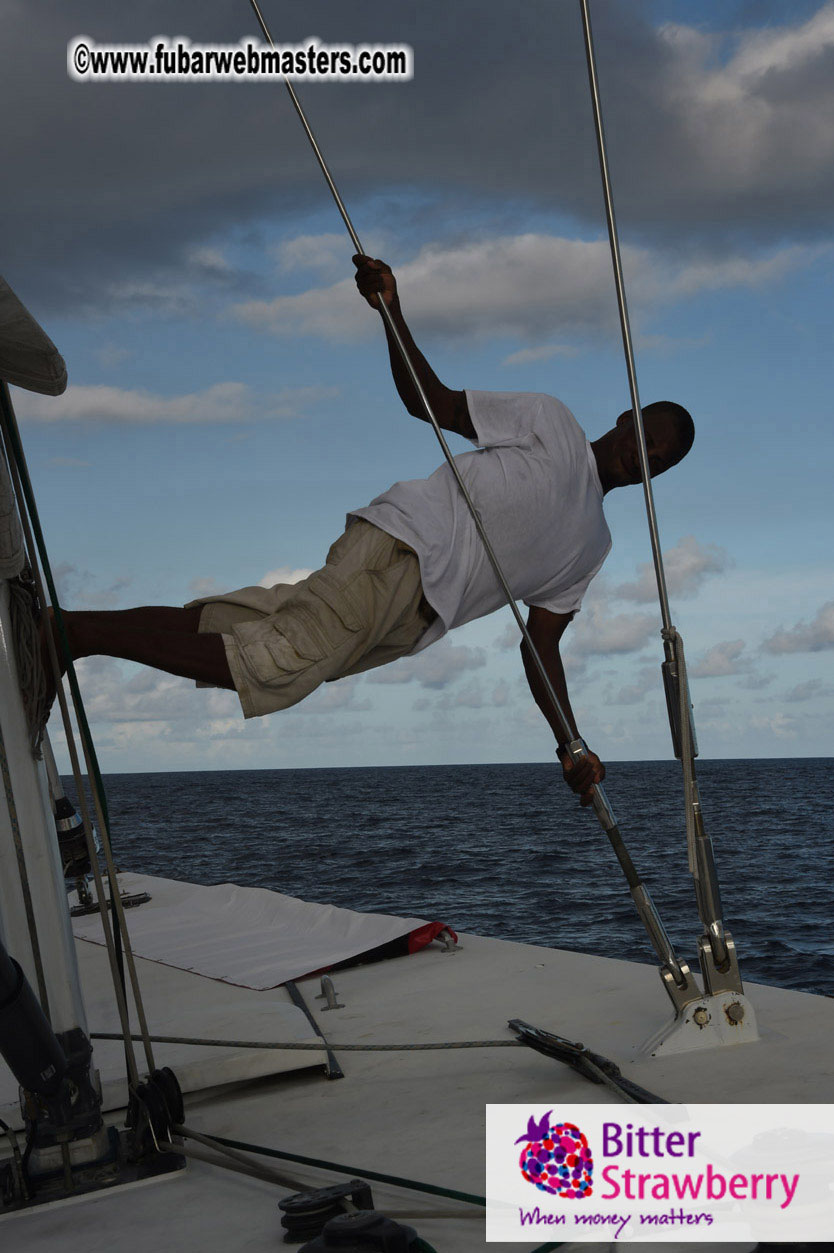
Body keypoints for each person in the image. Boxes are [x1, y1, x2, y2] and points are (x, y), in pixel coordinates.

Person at [46, 256, 694, 806]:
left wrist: (570, 744)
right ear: (627, 416)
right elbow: (430, 403)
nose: (651, 454)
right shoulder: (549, 421)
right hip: (405, 549)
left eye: (665, 459)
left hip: (411, 624)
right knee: (281, 663)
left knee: (244, 625)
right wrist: (392, 309)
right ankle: (71, 635)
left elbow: (540, 649)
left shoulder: (592, 547)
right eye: (652, 435)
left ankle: (71, 627)